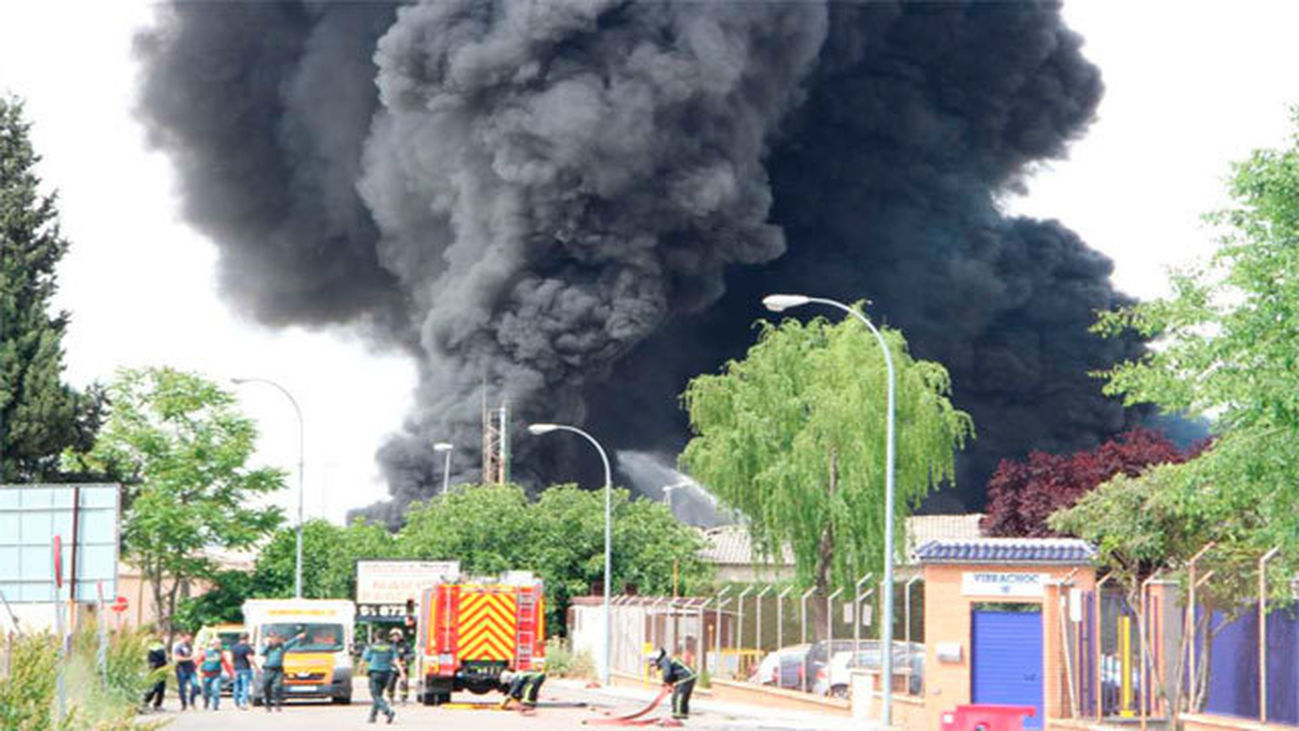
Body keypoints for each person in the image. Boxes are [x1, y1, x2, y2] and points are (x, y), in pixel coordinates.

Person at [259, 631, 301, 713]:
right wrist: (268, 645)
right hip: (268, 669)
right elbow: (262, 653)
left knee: (278, 687)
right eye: (272, 638)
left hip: (278, 670)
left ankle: (277, 704)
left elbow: (290, 643)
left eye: (276, 638)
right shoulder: (268, 647)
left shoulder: (282, 647)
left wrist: (297, 637)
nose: (275, 640)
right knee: (266, 687)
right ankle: (267, 704)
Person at [362, 637, 400, 724]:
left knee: (375, 695)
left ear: (375, 636)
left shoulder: (372, 647)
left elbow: (365, 659)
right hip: (386, 674)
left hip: (375, 673)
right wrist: (402, 672)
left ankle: (388, 711)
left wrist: (361, 669)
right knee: (378, 695)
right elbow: (396, 660)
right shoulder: (390, 647)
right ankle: (372, 717)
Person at [654, 648, 696, 721]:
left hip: (686, 677)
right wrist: (669, 683)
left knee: (678, 696)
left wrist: (666, 682)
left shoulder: (664, 660)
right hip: (688, 676)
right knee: (682, 696)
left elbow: (668, 673)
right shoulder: (667, 660)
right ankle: (683, 714)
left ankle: (677, 715)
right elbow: (673, 674)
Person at [199, 638, 231, 710]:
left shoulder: (220, 653)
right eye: (218, 644)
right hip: (206, 675)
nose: (219, 645)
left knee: (215, 690)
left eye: (220, 644)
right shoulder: (205, 653)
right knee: (205, 692)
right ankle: (206, 702)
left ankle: (215, 705)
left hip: (216, 675)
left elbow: (226, 664)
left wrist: (231, 673)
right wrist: (199, 672)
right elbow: (199, 662)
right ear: (213, 644)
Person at [172, 632, 200, 711]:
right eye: (188, 638)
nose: (189, 640)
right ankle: (183, 704)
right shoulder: (178, 647)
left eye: (190, 639)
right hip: (181, 669)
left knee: (194, 685)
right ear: (183, 638)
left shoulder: (190, 646)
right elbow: (178, 658)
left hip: (191, 669)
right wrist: (190, 658)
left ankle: (192, 701)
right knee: (182, 688)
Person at [229, 632, 256, 710]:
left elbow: (231, 659)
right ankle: (243, 703)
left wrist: (232, 669)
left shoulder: (234, 647)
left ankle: (236, 703)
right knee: (245, 686)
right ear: (247, 638)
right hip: (245, 668)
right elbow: (250, 659)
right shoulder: (247, 647)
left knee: (236, 686)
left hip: (236, 669)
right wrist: (256, 667)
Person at [384, 628, 411, 705]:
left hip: (403, 667)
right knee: (390, 684)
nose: (395, 637)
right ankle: (390, 698)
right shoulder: (389, 645)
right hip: (392, 668)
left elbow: (411, 654)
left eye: (397, 635)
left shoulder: (405, 645)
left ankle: (403, 699)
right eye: (393, 636)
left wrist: (405, 659)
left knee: (404, 683)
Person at [142, 634, 168, 711]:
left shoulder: (158, 647)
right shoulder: (153, 648)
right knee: (155, 687)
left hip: (160, 669)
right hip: (156, 669)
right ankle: (148, 702)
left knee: (160, 688)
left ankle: (156, 704)